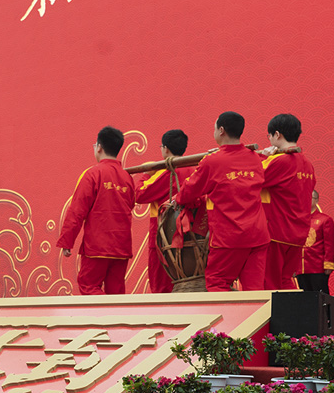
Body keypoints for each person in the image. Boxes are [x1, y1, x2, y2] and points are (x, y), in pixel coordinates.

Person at [177, 111, 269, 292]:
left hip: (229, 237)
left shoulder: (212, 161)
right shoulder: (255, 158)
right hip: (258, 235)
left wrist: (178, 198)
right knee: (255, 291)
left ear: (221, 130)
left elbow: (187, 193)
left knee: (217, 283)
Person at [57, 126, 135, 295]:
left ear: (99, 147)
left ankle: (104, 313)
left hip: (97, 246)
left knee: (88, 286)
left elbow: (77, 211)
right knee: (116, 293)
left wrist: (67, 241)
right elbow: (130, 205)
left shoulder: (92, 174)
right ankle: (116, 314)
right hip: (121, 247)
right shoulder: (127, 178)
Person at [260, 114, 316, 290]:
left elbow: (252, 179)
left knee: (269, 282)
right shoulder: (307, 164)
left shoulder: (280, 161)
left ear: (277, 134)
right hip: (298, 232)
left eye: (269, 136)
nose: (269, 140)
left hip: (277, 232)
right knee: (284, 280)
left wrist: (262, 157)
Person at [134, 130, 194, 294]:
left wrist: (146, 174)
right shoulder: (193, 171)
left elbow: (140, 194)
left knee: (161, 281)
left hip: (164, 232)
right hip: (191, 231)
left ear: (165, 149)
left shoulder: (167, 173)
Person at [296, 190, 334, 295]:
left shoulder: (325, 219)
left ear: (316, 200)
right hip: (301, 268)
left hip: (317, 267)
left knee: (320, 297)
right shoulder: (297, 220)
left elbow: (329, 245)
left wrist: (328, 265)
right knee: (304, 298)